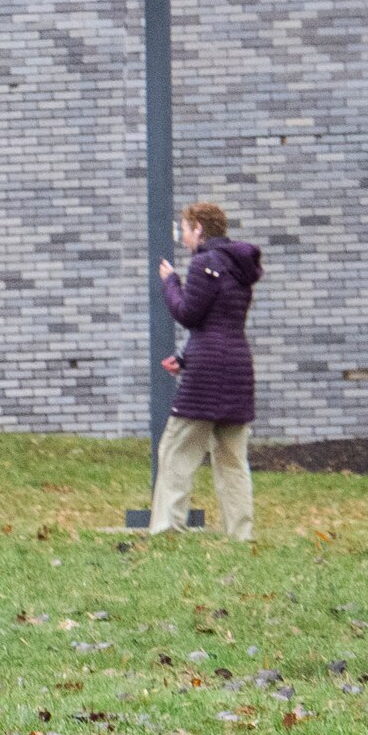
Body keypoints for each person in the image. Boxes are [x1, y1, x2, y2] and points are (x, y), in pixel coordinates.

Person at [149, 198, 260, 541]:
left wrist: (170, 283)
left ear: (198, 229)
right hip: (237, 368)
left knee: (175, 451)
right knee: (232, 460)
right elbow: (219, 322)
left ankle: (168, 529)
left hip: (207, 377)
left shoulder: (204, 264)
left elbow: (188, 314)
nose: (183, 237)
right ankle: (241, 535)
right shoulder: (238, 267)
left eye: (184, 229)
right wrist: (183, 358)